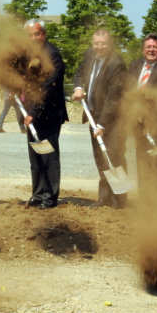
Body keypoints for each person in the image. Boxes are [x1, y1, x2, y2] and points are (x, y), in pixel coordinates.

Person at [72, 29, 127, 208]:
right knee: (100, 157)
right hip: (94, 115)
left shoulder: (116, 64)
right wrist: (78, 88)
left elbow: (114, 99)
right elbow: (79, 72)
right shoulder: (90, 55)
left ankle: (120, 200)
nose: (99, 47)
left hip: (113, 120)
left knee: (114, 157)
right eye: (96, 43)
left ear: (109, 44)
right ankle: (104, 199)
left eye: (103, 44)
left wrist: (102, 124)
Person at [22, 19, 68, 209]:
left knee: (49, 156)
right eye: (30, 35)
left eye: (37, 34)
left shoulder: (52, 55)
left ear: (44, 34)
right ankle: (38, 193)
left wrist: (32, 112)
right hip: (33, 112)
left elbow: (47, 88)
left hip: (48, 114)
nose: (34, 38)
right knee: (35, 155)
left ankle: (50, 197)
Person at [128, 33, 157, 200]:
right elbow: (128, 89)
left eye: (155, 47)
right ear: (143, 50)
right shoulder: (135, 66)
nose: (151, 50)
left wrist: (147, 112)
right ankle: (144, 198)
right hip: (138, 123)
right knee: (142, 159)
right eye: (148, 47)